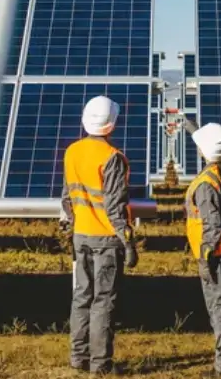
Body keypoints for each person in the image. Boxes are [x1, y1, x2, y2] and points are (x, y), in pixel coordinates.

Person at [59, 95, 139, 375]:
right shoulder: (112, 158)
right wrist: (128, 242)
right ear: (112, 124)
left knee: (81, 296)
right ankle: (100, 365)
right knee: (103, 302)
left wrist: (71, 224)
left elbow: (67, 197)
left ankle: (77, 358)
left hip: (80, 235)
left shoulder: (72, 151)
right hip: (106, 240)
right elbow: (115, 207)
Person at [185, 122, 221, 378]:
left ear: (204, 151)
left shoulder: (206, 184)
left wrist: (207, 253)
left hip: (215, 255)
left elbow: (213, 224)